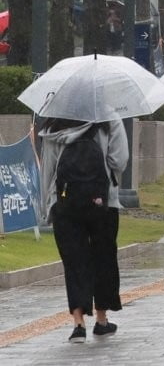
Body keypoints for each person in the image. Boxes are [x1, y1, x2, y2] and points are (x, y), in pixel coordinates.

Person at [39, 118, 129, 343]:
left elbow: (48, 171)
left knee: (74, 261)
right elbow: (120, 161)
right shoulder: (109, 120)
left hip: (65, 204)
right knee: (103, 258)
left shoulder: (54, 126)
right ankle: (101, 319)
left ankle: (78, 323)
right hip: (103, 202)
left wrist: (46, 207)